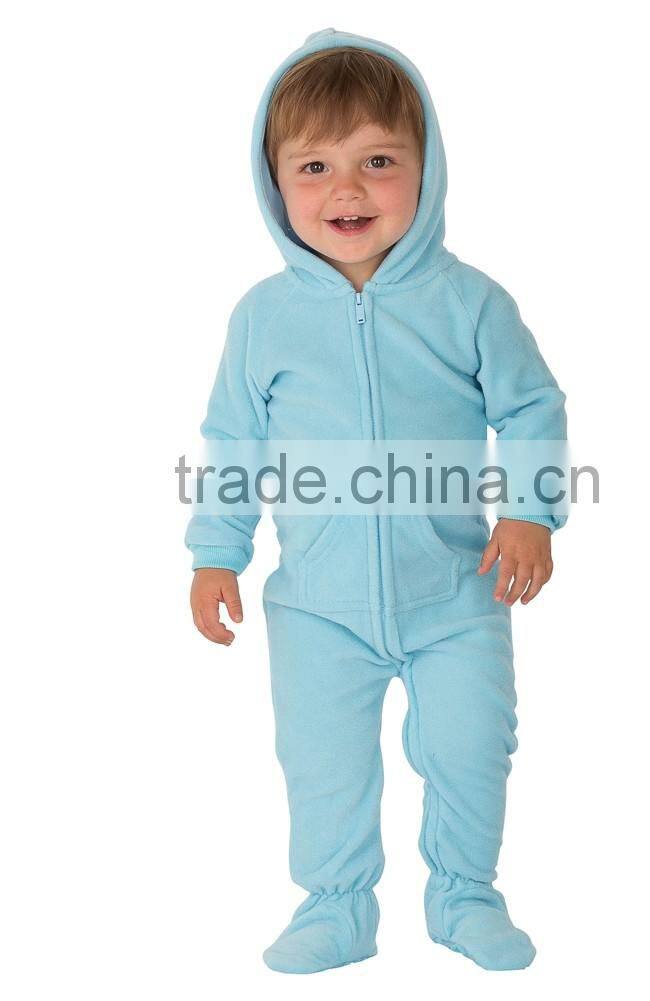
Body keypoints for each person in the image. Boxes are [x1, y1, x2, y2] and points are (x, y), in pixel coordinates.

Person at [185, 27, 568, 973]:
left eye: (378, 161)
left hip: (458, 594)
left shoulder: (469, 302)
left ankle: (464, 895)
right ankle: (336, 907)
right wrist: (216, 552)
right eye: (314, 166)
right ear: (274, 183)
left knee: (472, 749)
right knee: (322, 766)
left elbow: (530, 406)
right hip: (317, 606)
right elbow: (234, 441)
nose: (346, 189)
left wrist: (530, 510)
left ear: (425, 170)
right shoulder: (263, 317)